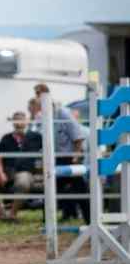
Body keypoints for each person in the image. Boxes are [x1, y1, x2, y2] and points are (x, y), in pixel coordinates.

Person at [34, 83, 89, 222]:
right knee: (51, 190)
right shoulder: (41, 116)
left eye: (39, 94)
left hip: (70, 157)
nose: (37, 98)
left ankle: (90, 220)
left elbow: (78, 136)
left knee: (80, 190)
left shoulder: (63, 113)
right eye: (36, 94)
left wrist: (76, 156)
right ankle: (49, 222)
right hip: (53, 158)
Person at [0, 111, 42, 220]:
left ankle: (13, 214)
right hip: (6, 171)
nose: (18, 124)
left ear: (26, 121)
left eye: (21, 121)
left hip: (24, 172)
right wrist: (0, 173)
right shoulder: (6, 138)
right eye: (16, 121)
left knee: (23, 183)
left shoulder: (36, 137)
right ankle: (2, 213)